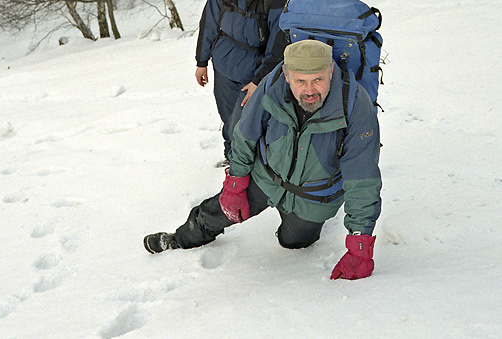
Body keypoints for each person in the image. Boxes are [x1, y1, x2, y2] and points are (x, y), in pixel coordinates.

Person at [145, 40, 382, 280]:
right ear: (287, 75)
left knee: (294, 243)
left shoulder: (354, 105)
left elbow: (362, 178)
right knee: (219, 212)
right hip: (266, 176)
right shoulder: (273, 86)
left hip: (314, 196)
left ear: (331, 71)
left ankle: (298, 227)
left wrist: (360, 245)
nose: (310, 90)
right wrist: (235, 183)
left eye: (318, 80)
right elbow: (245, 134)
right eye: (300, 81)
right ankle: (179, 239)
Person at [195, 0, 289, 166]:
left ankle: (250, 165)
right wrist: (201, 61)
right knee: (228, 119)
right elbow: (208, 23)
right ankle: (232, 159)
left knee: (245, 122)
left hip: (253, 73)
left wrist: (260, 79)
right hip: (224, 68)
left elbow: (279, 44)